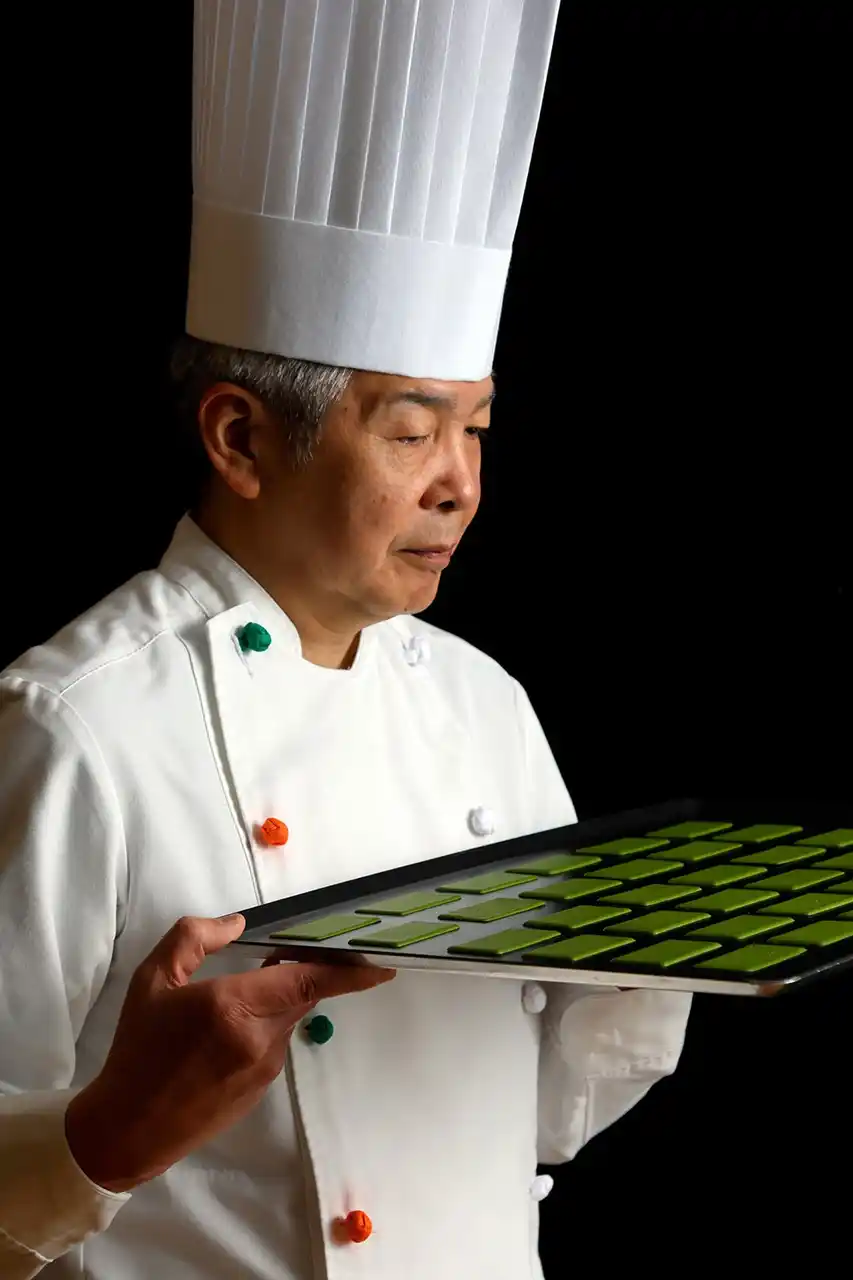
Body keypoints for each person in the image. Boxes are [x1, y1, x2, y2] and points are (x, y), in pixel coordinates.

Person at [0, 3, 693, 1277]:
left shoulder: (485, 706)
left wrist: (648, 967)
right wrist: (105, 1136)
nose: (461, 484)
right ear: (241, 437)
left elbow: (533, 1125)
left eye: (477, 429)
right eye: (413, 430)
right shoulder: (77, 725)